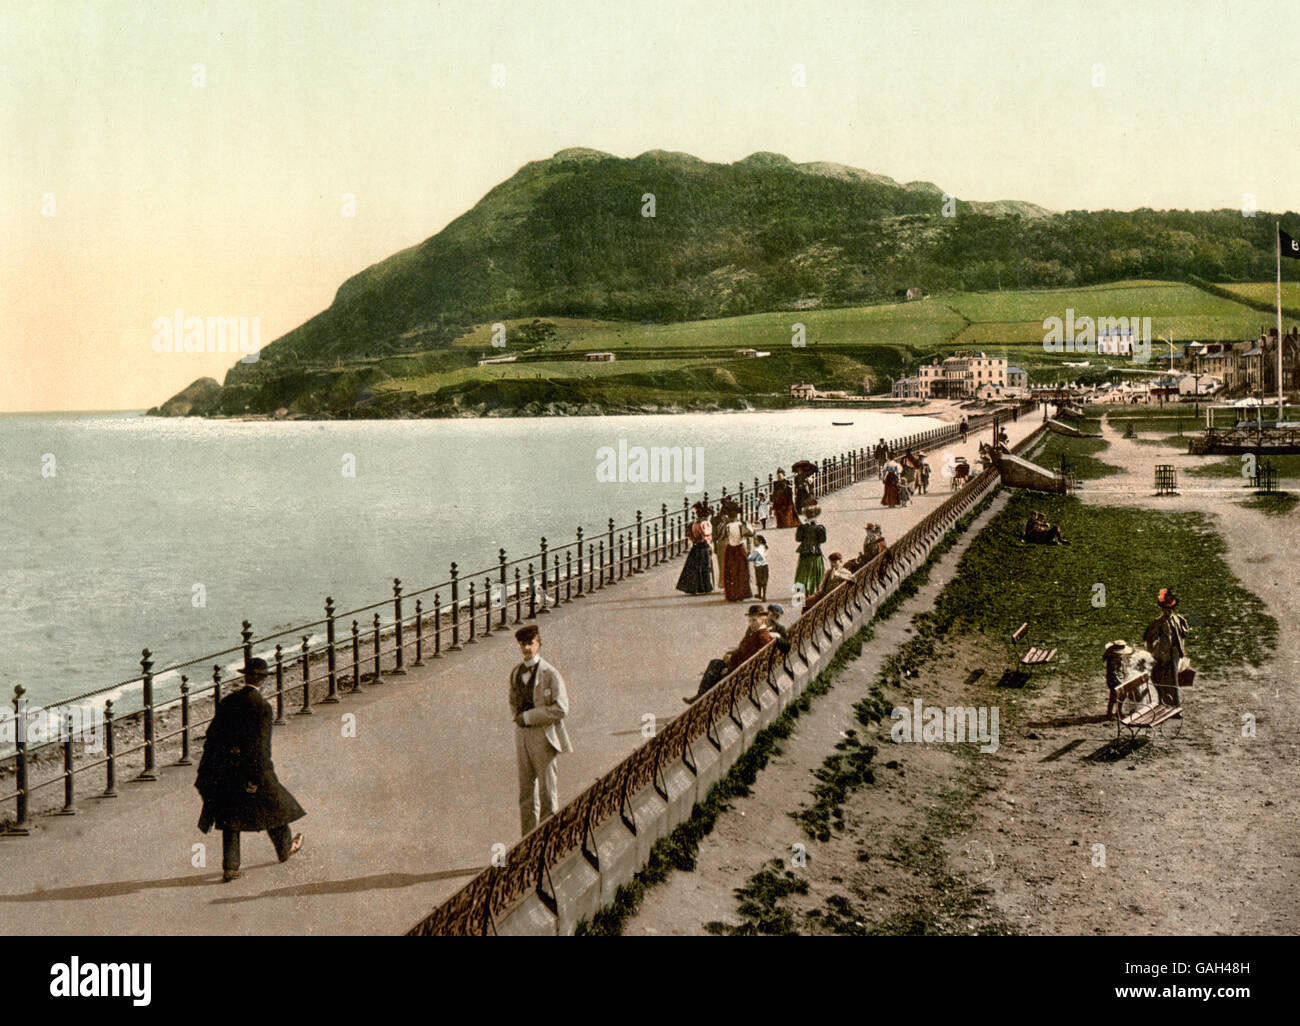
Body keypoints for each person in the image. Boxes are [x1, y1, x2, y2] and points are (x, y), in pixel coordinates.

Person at [196, 658, 305, 882]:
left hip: (226, 769)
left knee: (230, 817)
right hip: (252, 769)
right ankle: (285, 849)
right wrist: (259, 775)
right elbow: (261, 748)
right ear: (263, 680)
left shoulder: (228, 702)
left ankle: (231, 867)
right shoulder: (262, 708)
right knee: (274, 804)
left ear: (245, 677)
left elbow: (213, 736)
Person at [509, 625, 572, 835]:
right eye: (522, 644)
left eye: (530, 643)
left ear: (539, 644)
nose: (527, 648)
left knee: (547, 792)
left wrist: (528, 717)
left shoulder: (550, 674)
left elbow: (561, 708)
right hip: (522, 737)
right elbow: (513, 700)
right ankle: (527, 840)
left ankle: (548, 838)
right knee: (526, 793)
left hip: (544, 737)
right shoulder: (516, 672)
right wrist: (518, 718)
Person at [685, 605, 773, 703]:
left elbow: (750, 658)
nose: (751, 624)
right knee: (715, 663)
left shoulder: (761, 636)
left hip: (743, 669)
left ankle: (701, 697)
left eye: (754, 620)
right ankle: (701, 696)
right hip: (741, 664)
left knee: (716, 667)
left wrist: (731, 661)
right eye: (750, 621)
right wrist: (731, 654)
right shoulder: (755, 632)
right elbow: (742, 649)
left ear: (763, 619)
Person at [1143, 588, 1189, 710]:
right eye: (1166, 609)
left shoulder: (1178, 620)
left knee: (1172, 682)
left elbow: (1182, 635)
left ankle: (1175, 706)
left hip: (1172, 655)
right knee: (1159, 679)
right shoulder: (1158, 622)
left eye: (1170, 609)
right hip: (1162, 656)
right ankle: (1163, 703)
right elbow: (1148, 638)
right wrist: (1150, 653)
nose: (1168, 611)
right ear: (1163, 609)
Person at [676, 502, 715, 594]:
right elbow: (706, 535)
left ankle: (694, 588)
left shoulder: (693, 523)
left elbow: (689, 535)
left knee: (694, 568)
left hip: (695, 547)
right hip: (703, 546)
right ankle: (705, 587)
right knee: (704, 567)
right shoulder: (705, 524)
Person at [720, 509, 754, 602]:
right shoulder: (740, 525)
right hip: (739, 548)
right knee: (742, 571)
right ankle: (742, 593)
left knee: (731, 572)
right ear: (736, 516)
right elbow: (750, 534)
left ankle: (732, 594)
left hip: (730, 549)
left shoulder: (726, 526)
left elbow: (722, 536)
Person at [793, 505, 827, 599]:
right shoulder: (820, 528)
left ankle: (803, 590)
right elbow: (823, 540)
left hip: (804, 551)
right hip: (815, 552)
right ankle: (813, 589)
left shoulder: (802, 527)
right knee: (815, 571)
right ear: (815, 516)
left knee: (803, 570)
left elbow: (798, 539)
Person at [1103, 640, 1133, 720]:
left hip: (1119, 678)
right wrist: (1120, 681)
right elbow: (1114, 671)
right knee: (1114, 695)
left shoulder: (1115, 656)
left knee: (1121, 695)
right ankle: (1110, 713)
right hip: (1114, 679)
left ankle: (1118, 712)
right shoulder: (1113, 658)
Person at [748, 534, 770, 600]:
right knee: (764, 581)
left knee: (759, 581)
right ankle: (764, 595)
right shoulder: (764, 547)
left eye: (755, 540)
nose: (754, 542)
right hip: (765, 565)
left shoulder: (756, 550)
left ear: (760, 541)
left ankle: (760, 594)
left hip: (758, 567)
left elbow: (751, 558)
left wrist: (748, 554)